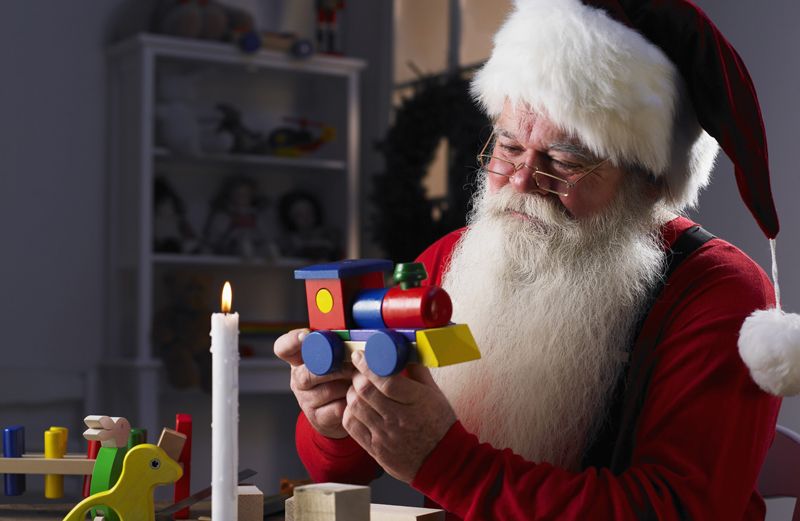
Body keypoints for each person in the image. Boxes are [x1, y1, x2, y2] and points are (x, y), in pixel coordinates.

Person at [275, 1, 794, 519]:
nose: (522, 182)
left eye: (566, 160)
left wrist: (443, 462)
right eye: (508, 147)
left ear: (650, 183)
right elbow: (338, 471)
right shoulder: (451, 257)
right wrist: (334, 422)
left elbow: (675, 510)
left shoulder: (720, 293)